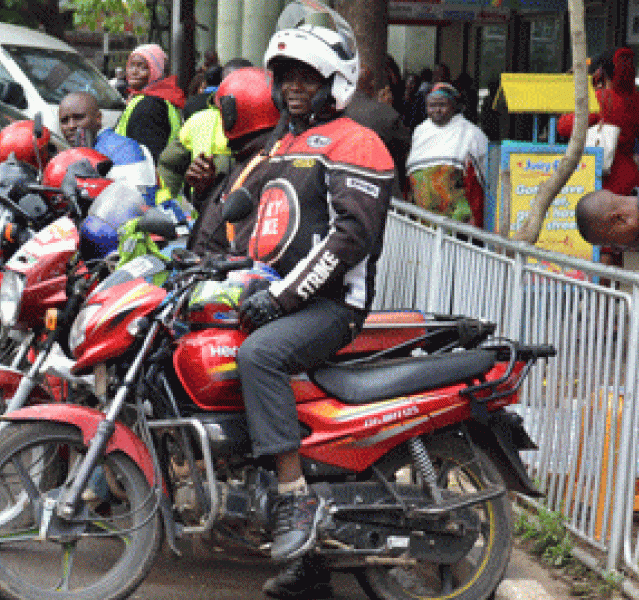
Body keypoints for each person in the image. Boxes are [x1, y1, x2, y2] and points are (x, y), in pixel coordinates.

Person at [229, 5, 394, 597]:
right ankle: (310, 569)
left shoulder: (359, 142)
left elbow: (349, 237)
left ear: (333, 81)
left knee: (259, 357)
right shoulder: (285, 143)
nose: (295, 87)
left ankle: (295, 499)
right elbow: (270, 226)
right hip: (284, 294)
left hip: (330, 306)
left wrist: (281, 296)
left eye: (307, 76)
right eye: (287, 76)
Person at [559, 48, 639, 267]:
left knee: (603, 240)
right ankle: (612, 292)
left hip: (604, 174)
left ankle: (601, 295)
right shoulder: (635, 100)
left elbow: (565, 127)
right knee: (618, 239)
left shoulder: (601, 98)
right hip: (628, 174)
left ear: (600, 73)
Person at [184, 66, 278, 255]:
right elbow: (222, 219)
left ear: (235, 113)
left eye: (221, 114)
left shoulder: (265, 165)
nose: (219, 122)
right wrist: (205, 190)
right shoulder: (246, 157)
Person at [157, 59, 254, 204]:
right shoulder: (198, 121)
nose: (234, 90)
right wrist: (165, 204)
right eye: (228, 83)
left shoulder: (269, 125)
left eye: (241, 84)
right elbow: (169, 164)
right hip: (204, 216)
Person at [406, 82, 488, 225]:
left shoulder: (470, 133)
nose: (437, 110)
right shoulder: (420, 132)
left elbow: (483, 177)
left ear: (454, 105)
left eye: (442, 105)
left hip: (458, 223)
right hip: (422, 221)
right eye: (432, 106)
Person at [57, 91, 157, 202]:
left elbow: (140, 204)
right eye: (64, 121)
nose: (71, 126)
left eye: (78, 118)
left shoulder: (122, 149)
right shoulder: (84, 150)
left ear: (98, 118)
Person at [342, 64, 412, 195]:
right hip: (380, 185)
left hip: (342, 184)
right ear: (372, 84)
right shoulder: (386, 113)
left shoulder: (336, 110)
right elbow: (404, 148)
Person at [115, 44, 185, 161]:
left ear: (156, 71)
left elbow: (147, 156)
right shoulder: (152, 97)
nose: (134, 72)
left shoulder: (150, 106)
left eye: (143, 67)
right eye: (131, 66)